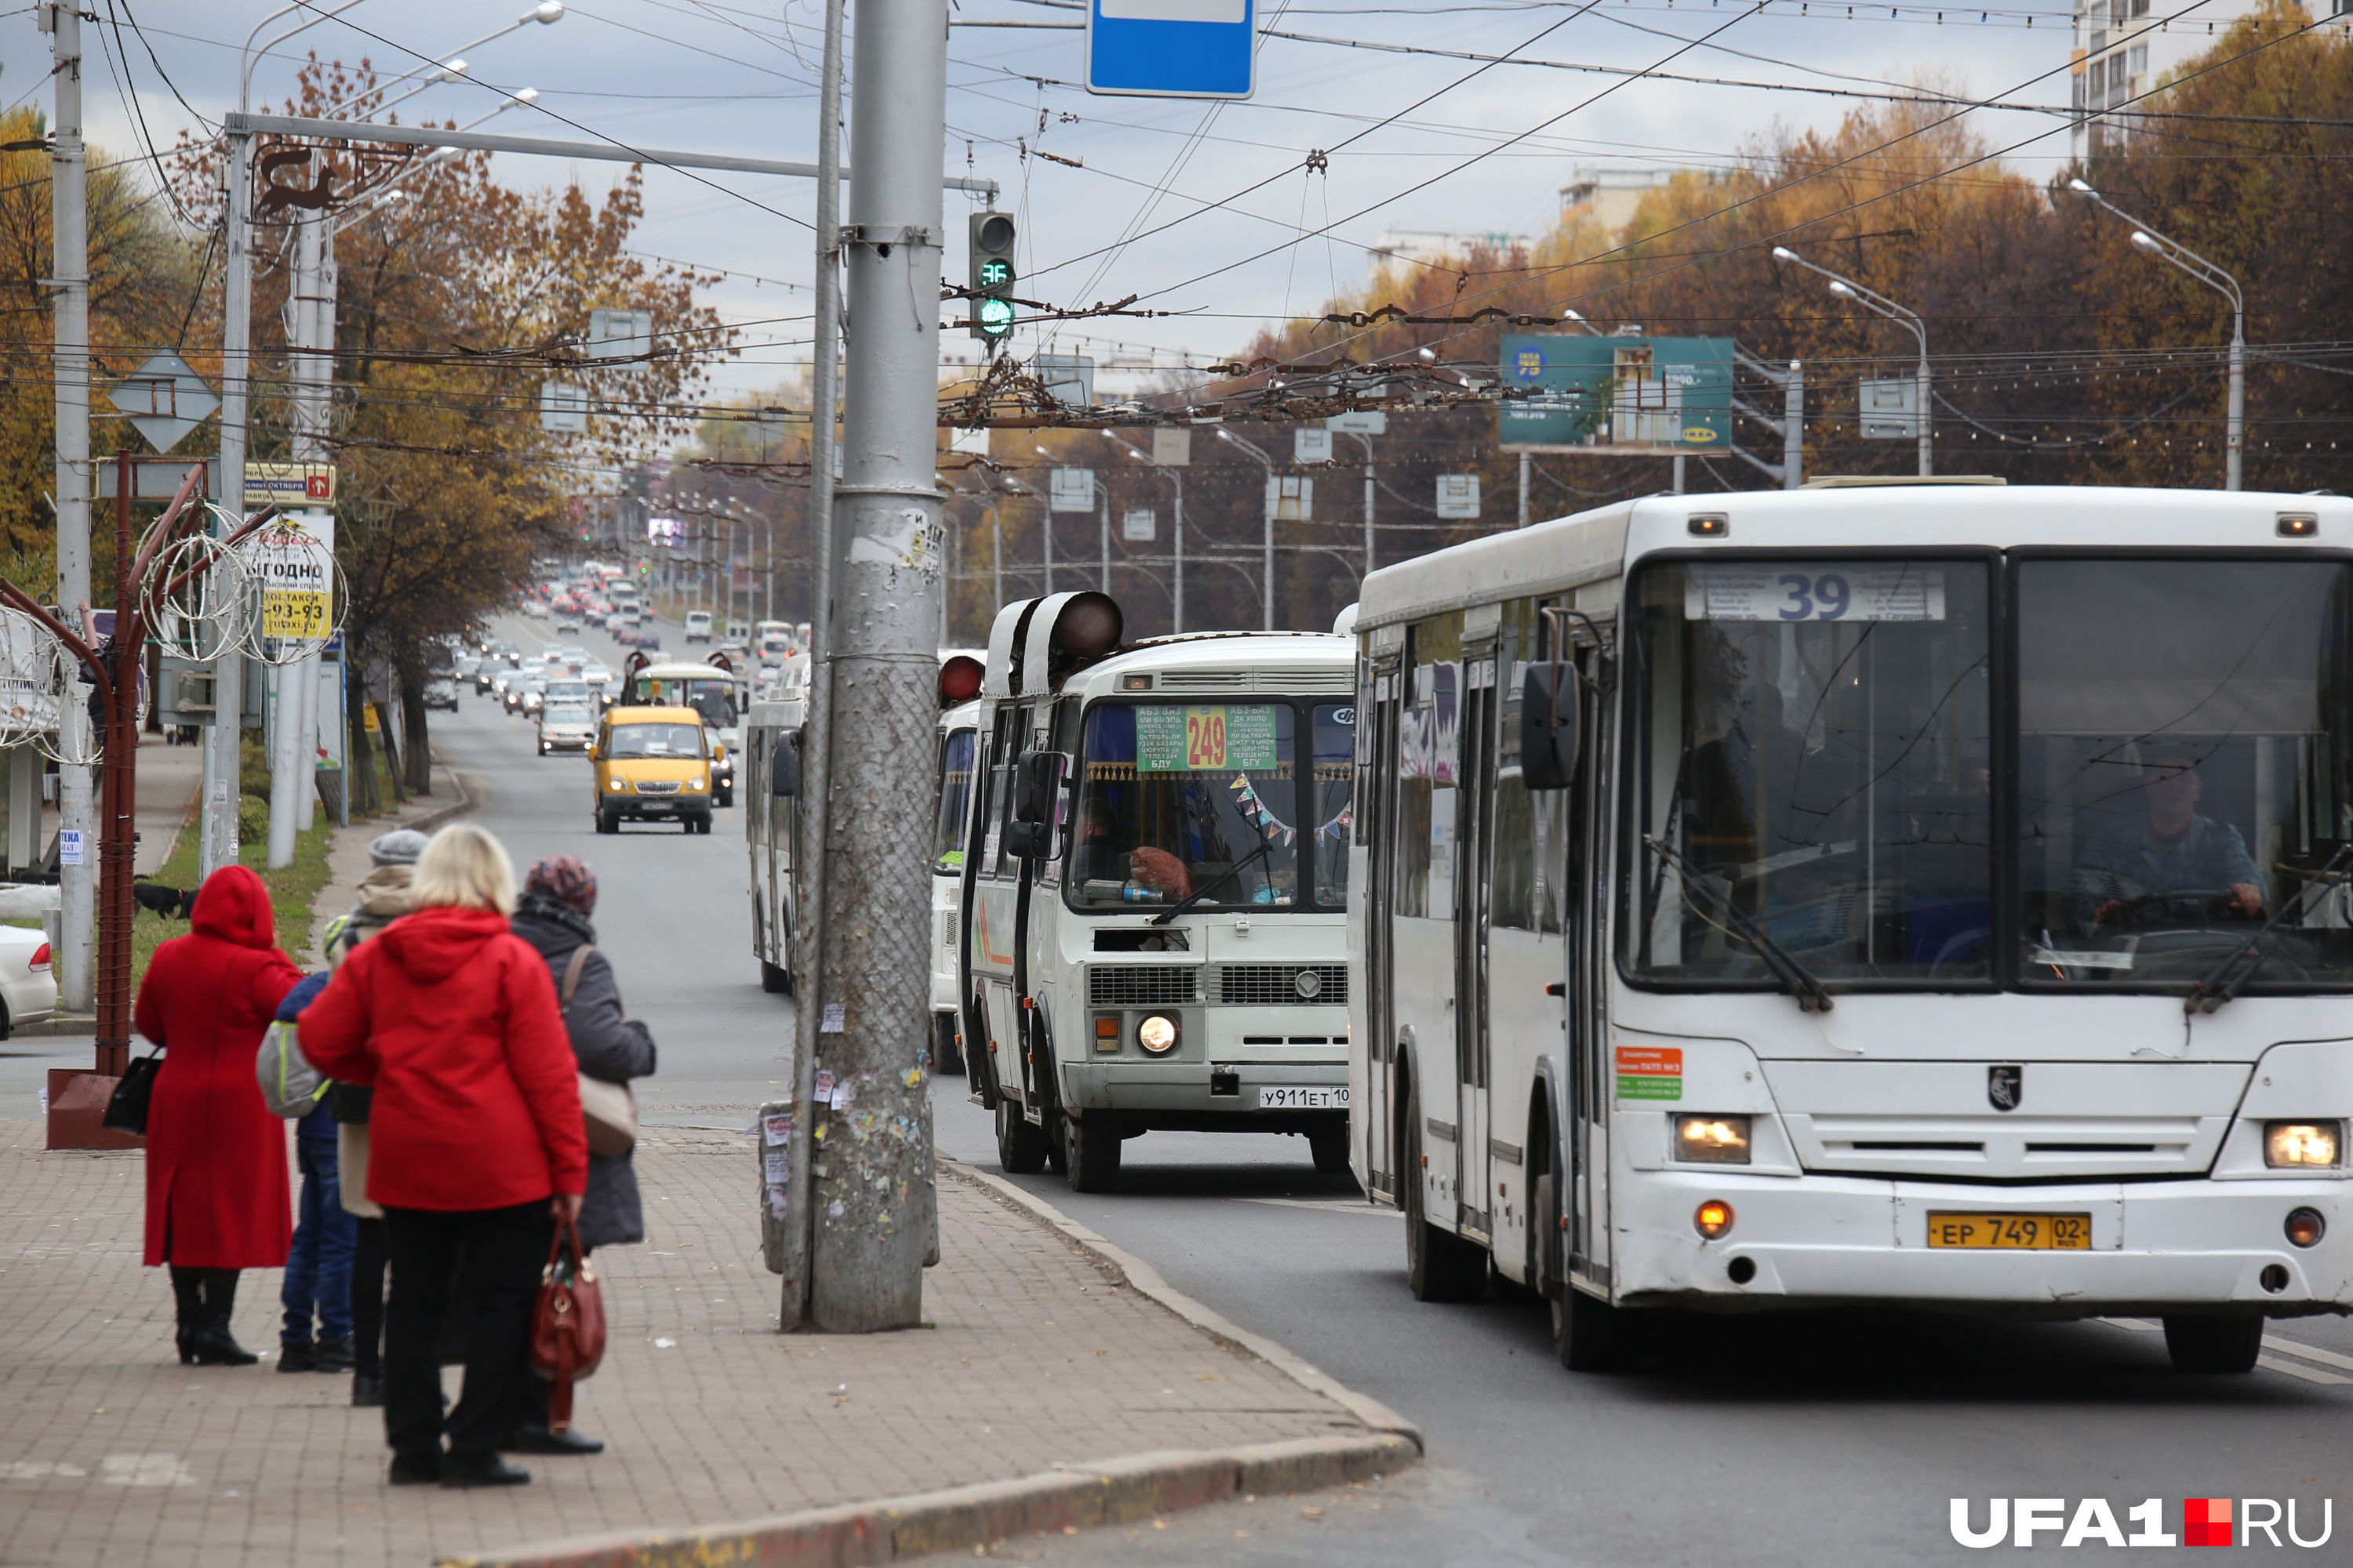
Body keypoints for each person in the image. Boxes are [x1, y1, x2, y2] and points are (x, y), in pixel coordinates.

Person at [300, 824, 587, 1490]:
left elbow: (318, 1038)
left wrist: (379, 1067)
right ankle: (475, 1447)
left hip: (409, 1157)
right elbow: (550, 1080)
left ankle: (413, 1448)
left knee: (414, 1305)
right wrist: (569, 1175)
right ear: (495, 881)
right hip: (503, 1164)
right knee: (503, 1305)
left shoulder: (379, 954)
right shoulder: (512, 961)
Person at [507, 855, 656, 1457]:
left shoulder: (501, 945)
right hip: (566, 1142)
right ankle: (540, 1416)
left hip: (500, 1137)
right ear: (584, 907)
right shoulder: (580, 962)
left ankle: (503, 1411)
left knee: (509, 1283)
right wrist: (640, 1043)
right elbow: (599, 1044)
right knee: (557, 1281)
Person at [135, 864, 304, 1366]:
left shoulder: (168, 954)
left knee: (182, 1208)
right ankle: (216, 1328)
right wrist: (270, 950)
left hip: (177, 1096)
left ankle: (188, 1324)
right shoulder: (258, 967)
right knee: (231, 1209)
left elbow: (148, 1023)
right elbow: (297, 1003)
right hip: (240, 1103)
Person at [326, 833, 426, 1409]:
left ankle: (366, 1371)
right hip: (427, 1101)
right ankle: (412, 1365)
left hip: (364, 1098)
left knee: (369, 1235)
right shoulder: (444, 926)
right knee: (421, 1242)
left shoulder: (349, 932)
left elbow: (334, 1022)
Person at [2075, 744, 2264, 926]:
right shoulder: (2111, 839)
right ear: (2148, 786)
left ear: (2198, 790)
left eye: (2184, 779)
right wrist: (2101, 912)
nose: (2173, 787)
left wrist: (2248, 892)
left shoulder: (2221, 838)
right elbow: (2081, 901)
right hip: (2128, 950)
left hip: (2208, 949)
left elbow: (2245, 879)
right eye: (2164, 777)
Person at [275, 955, 355, 1375]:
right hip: (345, 1130)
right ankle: (336, 1337)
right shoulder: (351, 995)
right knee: (343, 1241)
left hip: (311, 1129)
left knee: (309, 1237)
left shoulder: (308, 991)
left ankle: (295, 1338)